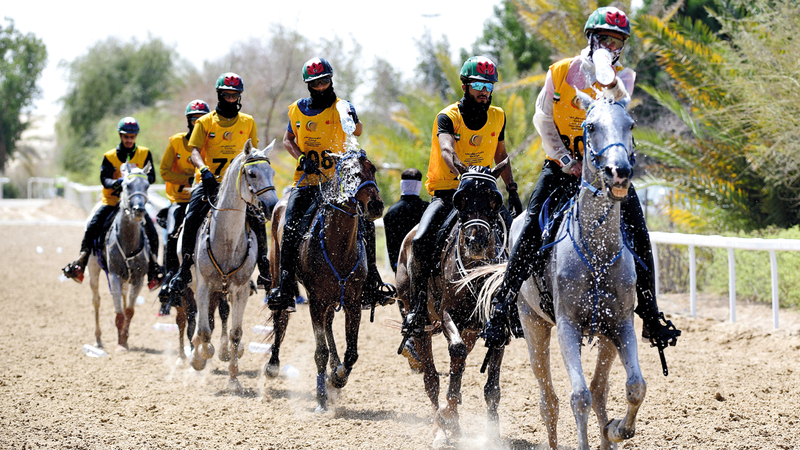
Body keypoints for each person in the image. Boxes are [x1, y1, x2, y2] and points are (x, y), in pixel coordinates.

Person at [482, 7, 682, 350]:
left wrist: (604, 70)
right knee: (530, 224)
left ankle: (649, 311)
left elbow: (617, 99)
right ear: (591, 38)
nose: (611, 46)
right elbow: (543, 120)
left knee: (638, 229)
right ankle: (504, 302)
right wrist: (564, 159)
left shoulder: (624, 77)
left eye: (617, 41)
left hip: (605, 172)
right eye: (604, 39)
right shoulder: (559, 72)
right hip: (560, 168)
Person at [401, 56, 524, 337]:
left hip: (485, 195)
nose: (485, 90)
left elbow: (501, 154)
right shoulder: (448, 117)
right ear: (465, 85)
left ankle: (511, 308)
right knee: (420, 242)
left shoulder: (498, 115)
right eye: (479, 84)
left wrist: (512, 188)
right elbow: (446, 150)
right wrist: (463, 171)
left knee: (517, 239)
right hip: (449, 194)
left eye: (489, 85)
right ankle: (418, 309)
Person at [267, 57, 394, 312]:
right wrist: (301, 158)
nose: (322, 86)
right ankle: (284, 285)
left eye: (325, 80)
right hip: (306, 181)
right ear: (309, 85)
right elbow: (287, 139)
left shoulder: (341, 106)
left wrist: (351, 116)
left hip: (338, 182)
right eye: (316, 83)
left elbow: (356, 132)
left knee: (365, 224)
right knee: (290, 225)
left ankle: (372, 283)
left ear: (331, 79)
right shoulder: (296, 109)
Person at [165, 73, 269, 306]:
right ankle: (184, 269)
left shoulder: (248, 122)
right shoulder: (205, 122)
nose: (230, 99)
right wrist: (204, 171)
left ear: (239, 96)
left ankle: (263, 268)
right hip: (209, 182)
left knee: (258, 218)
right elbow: (193, 152)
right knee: (191, 217)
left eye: (234, 95)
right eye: (226, 94)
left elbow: (251, 154)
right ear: (219, 95)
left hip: (238, 184)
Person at [62, 117, 164, 290]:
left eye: (132, 136)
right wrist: (118, 183)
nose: (129, 140)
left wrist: (138, 178)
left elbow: (152, 176)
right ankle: (81, 263)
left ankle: (153, 269)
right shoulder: (109, 156)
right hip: (113, 201)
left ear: (136, 136)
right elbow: (104, 179)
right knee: (93, 225)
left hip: (133, 203)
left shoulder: (145, 153)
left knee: (152, 232)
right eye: (126, 136)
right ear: (120, 136)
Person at [156, 99, 211, 316]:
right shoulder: (176, 142)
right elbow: (164, 171)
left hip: (206, 196)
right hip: (180, 200)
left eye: (201, 119)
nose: (197, 122)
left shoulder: (210, 142)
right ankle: (171, 276)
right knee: (172, 234)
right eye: (193, 119)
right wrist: (188, 179)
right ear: (188, 121)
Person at [383, 168, 429, 274]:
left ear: (402, 184)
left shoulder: (391, 212)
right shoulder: (427, 209)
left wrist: (396, 266)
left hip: (400, 267)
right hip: (425, 267)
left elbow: (391, 245)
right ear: (419, 185)